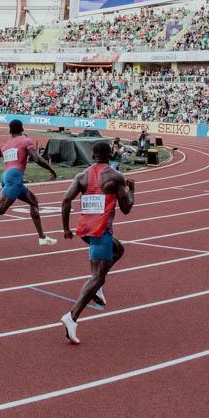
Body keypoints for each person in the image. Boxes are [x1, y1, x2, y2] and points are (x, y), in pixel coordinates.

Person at [59, 141, 136, 344]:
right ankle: (72, 317)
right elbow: (127, 208)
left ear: (92, 156)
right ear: (110, 155)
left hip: (85, 229)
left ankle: (98, 286)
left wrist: (65, 228)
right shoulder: (115, 176)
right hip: (101, 230)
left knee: (118, 250)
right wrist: (132, 190)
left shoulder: (81, 176)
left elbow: (66, 200)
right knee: (96, 276)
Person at [0, 119, 58, 246]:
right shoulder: (26, 140)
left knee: (34, 201)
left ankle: (42, 237)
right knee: (1, 208)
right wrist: (52, 170)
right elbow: (37, 158)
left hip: (7, 176)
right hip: (15, 177)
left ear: (9, 131)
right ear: (22, 129)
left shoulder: (5, 145)